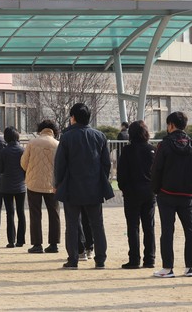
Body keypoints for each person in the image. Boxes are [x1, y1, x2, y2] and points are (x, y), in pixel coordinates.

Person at [54, 103, 112, 269]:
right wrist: (102, 180)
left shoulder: (66, 137)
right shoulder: (99, 136)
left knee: (72, 225)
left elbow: (60, 165)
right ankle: (100, 260)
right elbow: (106, 164)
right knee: (97, 225)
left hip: (72, 187)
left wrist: (58, 183)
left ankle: (73, 259)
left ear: (73, 117)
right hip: (94, 187)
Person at [151, 111, 192, 278]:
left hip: (167, 193)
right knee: (190, 229)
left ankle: (168, 268)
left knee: (167, 230)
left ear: (171, 125)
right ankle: (190, 268)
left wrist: (156, 189)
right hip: (188, 194)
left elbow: (156, 169)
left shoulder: (164, 145)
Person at [117, 120, 156, 269]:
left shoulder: (127, 150)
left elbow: (121, 173)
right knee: (149, 226)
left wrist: (124, 188)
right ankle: (150, 259)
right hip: (149, 192)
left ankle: (134, 259)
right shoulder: (152, 149)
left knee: (133, 227)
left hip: (132, 192)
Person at [20, 119, 61, 254]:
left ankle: (37, 244)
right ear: (54, 130)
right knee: (54, 213)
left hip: (34, 183)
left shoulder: (32, 143)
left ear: (41, 129)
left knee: (35, 214)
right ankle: (54, 244)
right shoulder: (57, 144)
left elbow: (23, 163)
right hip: (52, 184)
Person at [0, 127, 26, 248]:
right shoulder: (22, 150)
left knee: (10, 213)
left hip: (6, 185)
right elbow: (25, 167)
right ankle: (20, 240)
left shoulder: (3, 151)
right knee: (21, 212)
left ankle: (11, 240)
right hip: (20, 185)